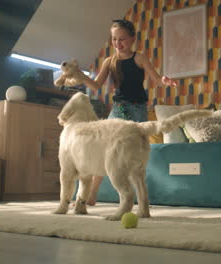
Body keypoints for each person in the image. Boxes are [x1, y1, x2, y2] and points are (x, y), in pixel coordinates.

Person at [76, 19, 178, 205]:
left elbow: (155, 78)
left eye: (122, 38)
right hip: (118, 109)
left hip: (137, 111)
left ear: (132, 39)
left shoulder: (139, 59)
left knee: (134, 154)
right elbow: (96, 85)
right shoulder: (109, 61)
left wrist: (163, 80)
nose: (118, 43)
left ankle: (140, 198)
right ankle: (91, 197)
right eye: (114, 39)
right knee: (104, 150)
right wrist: (80, 75)